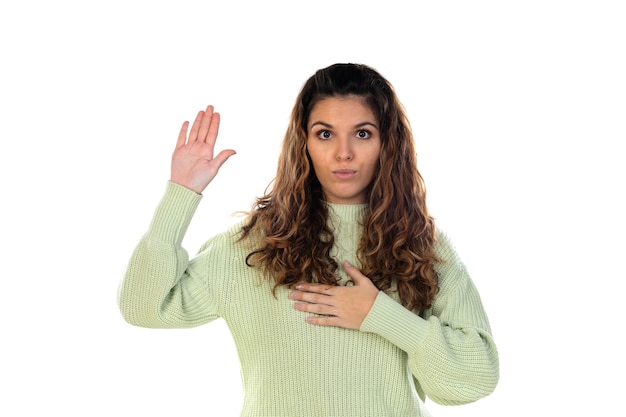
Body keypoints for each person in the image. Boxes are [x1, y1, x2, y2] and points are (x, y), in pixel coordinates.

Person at [118, 63, 499, 416]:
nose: (343, 153)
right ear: (304, 143)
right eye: (325, 134)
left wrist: (381, 316)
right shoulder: (253, 245)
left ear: (387, 144)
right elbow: (144, 307)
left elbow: (474, 378)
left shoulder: (422, 245)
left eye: (362, 133)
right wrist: (181, 192)